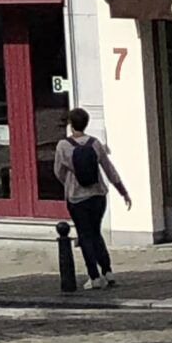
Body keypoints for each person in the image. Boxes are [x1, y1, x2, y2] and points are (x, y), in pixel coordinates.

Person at [54, 106, 130, 291]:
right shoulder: (95, 143)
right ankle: (108, 271)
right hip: (98, 195)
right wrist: (122, 191)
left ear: (71, 124)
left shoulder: (63, 146)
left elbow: (58, 171)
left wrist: (69, 182)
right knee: (96, 233)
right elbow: (108, 168)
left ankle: (94, 276)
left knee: (85, 236)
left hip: (76, 197)